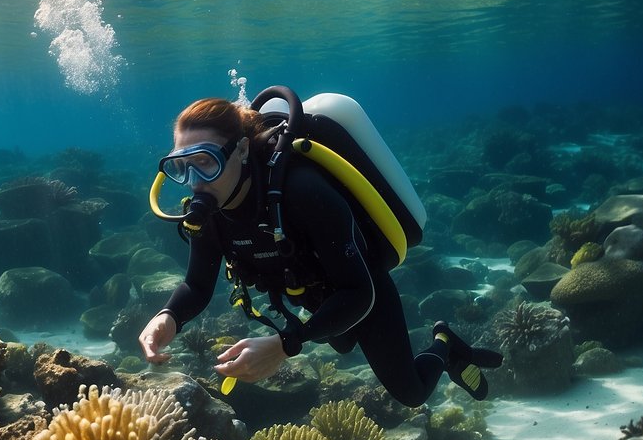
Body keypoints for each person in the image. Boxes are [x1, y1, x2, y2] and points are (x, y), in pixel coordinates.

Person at [138, 92, 502, 407]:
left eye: (206, 161)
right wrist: (168, 316)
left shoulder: (301, 191)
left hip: (359, 287)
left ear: (242, 150)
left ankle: (445, 345)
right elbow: (197, 285)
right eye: (182, 167)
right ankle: (335, 331)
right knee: (341, 342)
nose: (196, 181)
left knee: (411, 391)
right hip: (314, 298)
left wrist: (285, 343)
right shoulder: (208, 210)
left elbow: (359, 292)